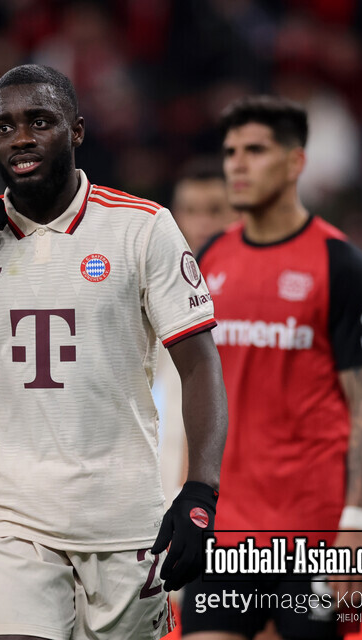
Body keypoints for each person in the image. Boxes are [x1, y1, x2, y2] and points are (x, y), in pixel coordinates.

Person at [0, 64, 228, 640]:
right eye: (4, 127)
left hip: (125, 520)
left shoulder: (142, 228)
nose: (21, 137)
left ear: (77, 131)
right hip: (7, 523)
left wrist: (201, 488)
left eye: (40, 121)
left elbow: (200, 362)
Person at [180, 96, 362, 640]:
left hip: (314, 538)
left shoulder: (341, 264)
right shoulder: (209, 262)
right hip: (227, 536)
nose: (238, 165)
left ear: (296, 162)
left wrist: (357, 524)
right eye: (230, 152)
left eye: (255, 150)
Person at [159, 160, 239, 504]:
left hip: (243, 470)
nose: (202, 221)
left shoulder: (254, 289)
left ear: (237, 213)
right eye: (191, 211)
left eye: (214, 210)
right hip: (173, 471)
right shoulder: (157, 286)